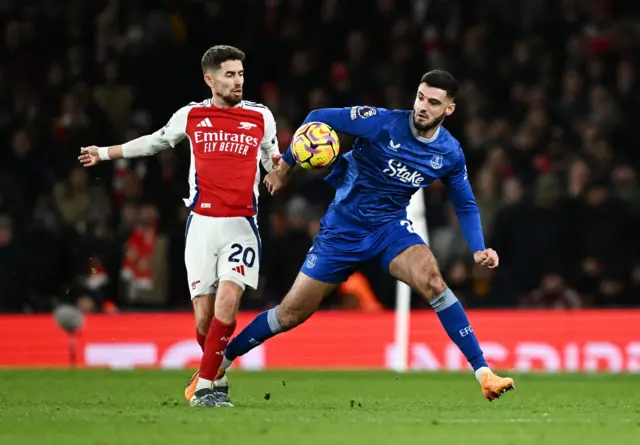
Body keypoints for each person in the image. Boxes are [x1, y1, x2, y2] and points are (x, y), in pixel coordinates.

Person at [219, 70, 515, 402]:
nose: (423, 107)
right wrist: (286, 167)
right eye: (420, 97)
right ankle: (218, 364)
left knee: (433, 281)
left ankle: (484, 373)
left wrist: (478, 248)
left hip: (389, 229)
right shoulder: (381, 123)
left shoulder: (449, 153)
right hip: (341, 231)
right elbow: (317, 118)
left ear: (449, 109)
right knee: (289, 314)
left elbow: (464, 202)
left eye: (434, 102)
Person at [78, 45, 279, 408]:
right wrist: (106, 152)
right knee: (204, 321)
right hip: (201, 225)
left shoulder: (261, 117)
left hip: (241, 224)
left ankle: (202, 388)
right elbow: (155, 142)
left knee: (229, 299)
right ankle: (215, 378)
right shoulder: (191, 115)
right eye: (230, 75)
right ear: (210, 79)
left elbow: (273, 160)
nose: (238, 81)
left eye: (241, 74)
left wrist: (284, 170)